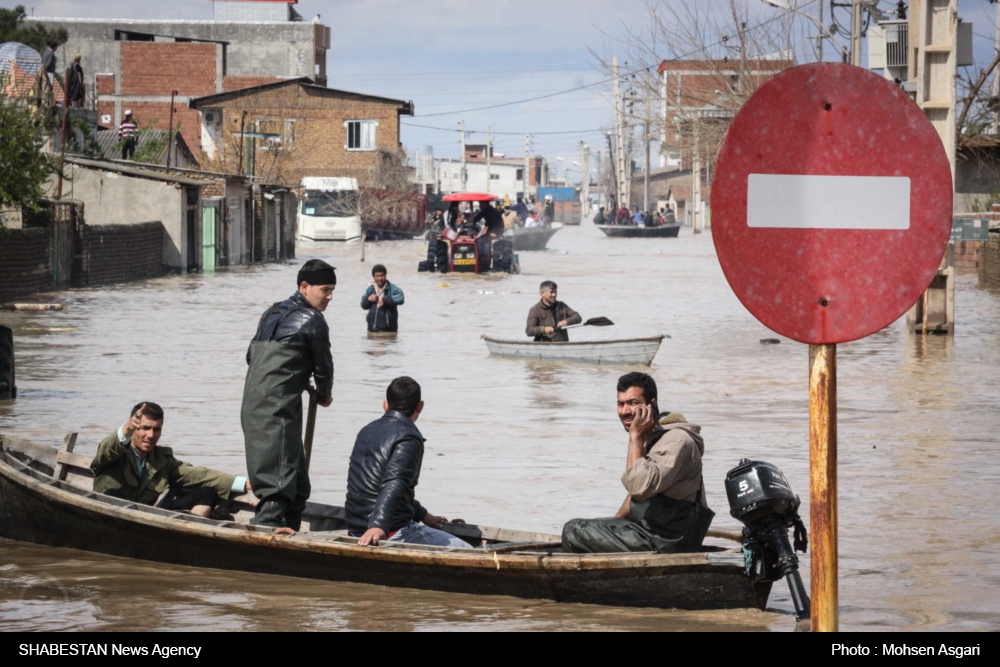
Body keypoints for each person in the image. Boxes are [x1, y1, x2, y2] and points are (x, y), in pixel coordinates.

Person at [561, 373, 714, 554]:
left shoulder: (676, 441)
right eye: (620, 404)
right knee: (589, 528)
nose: (625, 411)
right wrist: (613, 523)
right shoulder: (655, 436)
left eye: (632, 403)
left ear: (651, 404)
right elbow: (638, 494)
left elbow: (638, 486)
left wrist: (635, 436)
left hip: (665, 542)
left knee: (572, 531)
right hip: (650, 535)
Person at [241, 259, 336, 533]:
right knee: (277, 487)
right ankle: (266, 532)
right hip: (277, 411)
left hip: (254, 405)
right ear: (304, 287)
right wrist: (324, 394)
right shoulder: (313, 320)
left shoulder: (272, 311)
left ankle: (290, 530)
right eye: (325, 290)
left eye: (332, 291)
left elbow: (251, 356)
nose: (329, 297)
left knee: (297, 485)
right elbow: (323, 368)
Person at [345, 377, 471, 548]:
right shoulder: (409, 437)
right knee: (468, 550)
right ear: (420, 406)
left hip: (354, 529)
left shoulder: (366, 431)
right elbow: (394, 483)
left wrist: (423, 515)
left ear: (385, 405)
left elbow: (377, 484)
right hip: (389, 531)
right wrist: (378, 525)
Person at [91, 402, 252, 518]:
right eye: (145, 428)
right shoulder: (115, 452)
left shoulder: (162, 460)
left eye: (156, 429)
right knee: (112, 495)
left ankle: (192, 528)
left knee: (207, 491)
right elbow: (105, 451)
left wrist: (242, 483)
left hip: (145, 520)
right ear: (133, 427)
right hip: (109, 517)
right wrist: (124, 431)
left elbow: (200, 474)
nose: (151, 435)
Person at [361, 264, 404, 333]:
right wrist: (368, 299)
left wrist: (385, 299)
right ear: (373, 277)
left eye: (382, 275)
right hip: (371, 331)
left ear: (385, 275)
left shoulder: (392, 288)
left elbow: (401, 298)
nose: (380, 278)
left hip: (389, 332)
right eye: (377, 276)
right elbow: (363, 304)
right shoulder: (370, 289)